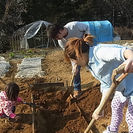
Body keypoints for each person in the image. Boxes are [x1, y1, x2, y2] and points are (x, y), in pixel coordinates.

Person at [64, 34, 133, 133]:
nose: (75, 64)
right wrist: (100, 107)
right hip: (123, 86)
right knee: (115, 106)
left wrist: (131, 58)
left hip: (131, 87)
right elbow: (106, 85)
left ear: (79, 55)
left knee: (131, 117)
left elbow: (123, 51)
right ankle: (112, 130)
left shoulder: (99, 52)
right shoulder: (90, 65)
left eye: (74, 61)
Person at [47, 20, 114, 98]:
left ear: (60, 31)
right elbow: (69, 54)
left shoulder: (74, 26)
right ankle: (77, 89)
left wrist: (86, 38)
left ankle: (106, 82)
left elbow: (87, 27)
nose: (57, 39)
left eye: (56, 37)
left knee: (95, 63)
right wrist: (74, 65)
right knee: (75, 71)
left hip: (87, 46)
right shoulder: (61, 42)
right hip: (77, 55)